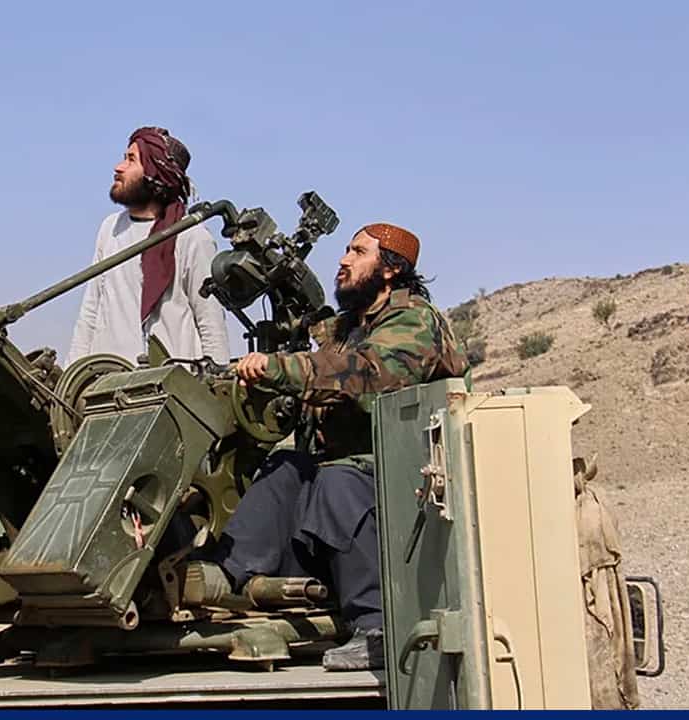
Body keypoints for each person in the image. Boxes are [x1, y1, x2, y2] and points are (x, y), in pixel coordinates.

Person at [181, 222, 470, 671]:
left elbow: (368, 374)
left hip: (409, 477)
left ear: (390, 269)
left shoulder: (414, 320)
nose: (344, 260)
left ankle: (375, 627)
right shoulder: (346, 328)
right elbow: (319, 364)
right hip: (354, 475)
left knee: (338, 478)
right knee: (286, 468)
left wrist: (281, 368)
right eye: (345, 250)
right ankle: (224, 576)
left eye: (358, 252)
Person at [66, 127, 229, 366]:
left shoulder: (190, 236)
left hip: (168, 390)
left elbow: (210, 321)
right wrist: (71, 374)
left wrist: (217, 384)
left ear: (156, 174)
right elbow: (91, 311)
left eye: (131, 159)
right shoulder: (110, 228)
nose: (118, 167)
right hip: (106, 383)